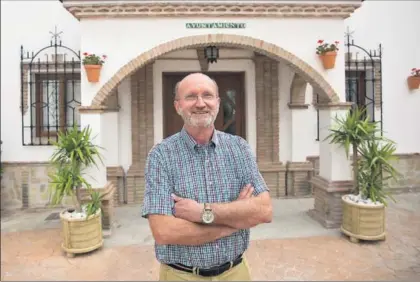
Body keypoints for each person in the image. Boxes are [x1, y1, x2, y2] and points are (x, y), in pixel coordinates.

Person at [142, 72, 272, 281]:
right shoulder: (161, 156)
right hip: (181, 275)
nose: (200, 103)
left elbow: (264, 210)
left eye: (207, 95)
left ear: (218, 103)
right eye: (191, 96)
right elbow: (164, 231)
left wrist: (202, 212)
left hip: (236, 273)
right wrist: (235, 221)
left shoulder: (239, 148)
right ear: (178, 106)